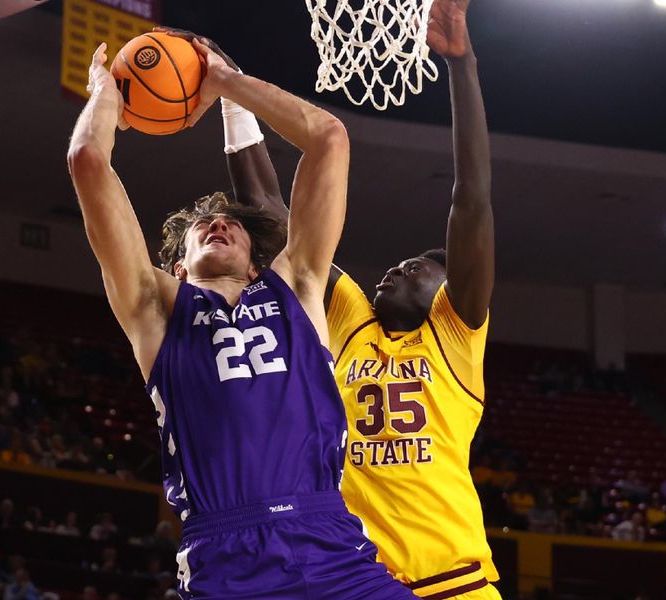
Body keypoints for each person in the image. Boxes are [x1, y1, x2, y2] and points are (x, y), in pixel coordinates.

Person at [67, 35, 417, 599]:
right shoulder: (157, 311)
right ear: (177, 267)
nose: (217, 223)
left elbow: (329, 138)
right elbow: (88, 161)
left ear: (257, 257)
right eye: (199, 228)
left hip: (330, 541)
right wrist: (105, 96)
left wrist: (225, 82)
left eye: (229, 223)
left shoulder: (297, 286)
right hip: (226, 554)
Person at [215, 0, 499, 596]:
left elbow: (470, 199)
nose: (396, 268)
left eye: (417, 268)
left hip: (455, 580)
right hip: (357, 581)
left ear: (448, 293)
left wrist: (463, 65)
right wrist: (232, 98)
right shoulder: (350, 324)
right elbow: (272, 222)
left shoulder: (455, 336)